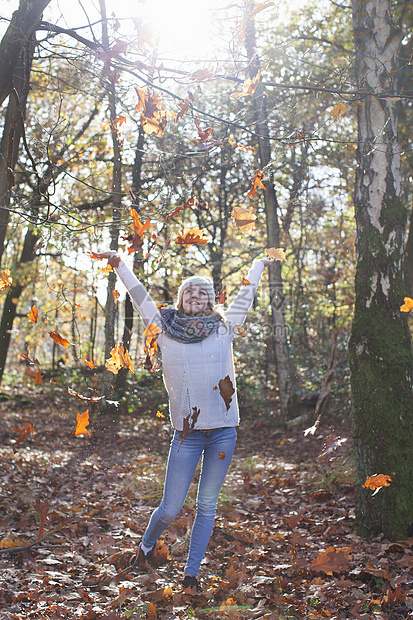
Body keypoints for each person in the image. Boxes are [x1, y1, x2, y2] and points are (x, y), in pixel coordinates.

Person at [93, 250, 275, 591]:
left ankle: (191, 576)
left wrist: (260, 264)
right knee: (170, 509)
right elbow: (139, 294)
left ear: (209, 302)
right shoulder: (163, 328)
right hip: (187, 436)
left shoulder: (224, 328)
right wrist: (119, 264)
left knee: (207, 505)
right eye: (189, 291)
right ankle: (146, 547)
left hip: (223, 433)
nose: (195, 296)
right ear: (180, 299)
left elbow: (245, 294)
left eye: (202, 292)